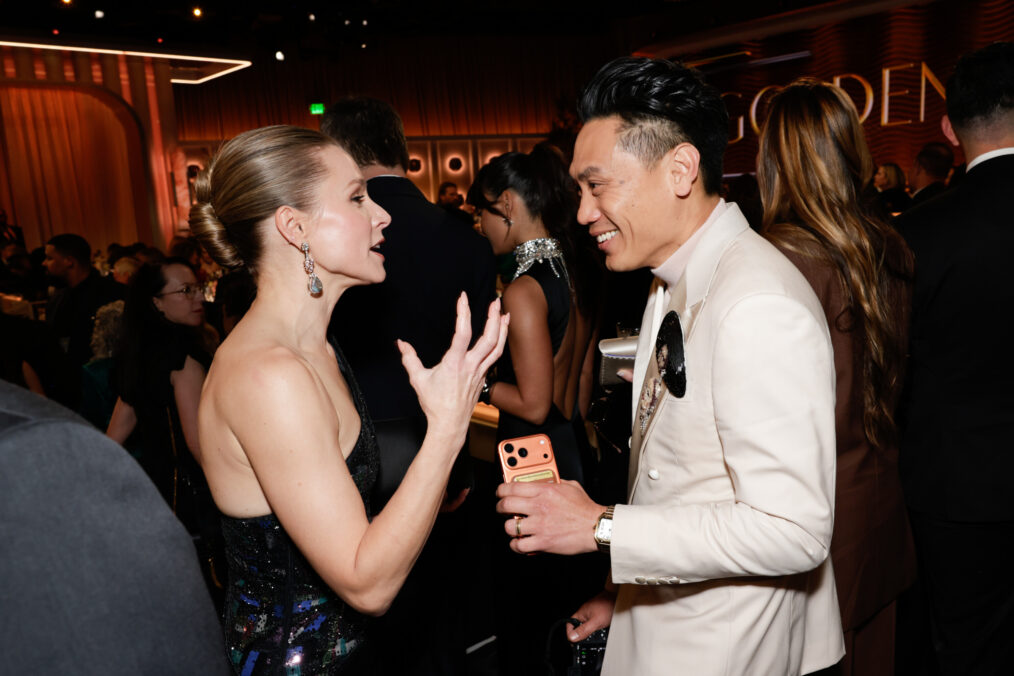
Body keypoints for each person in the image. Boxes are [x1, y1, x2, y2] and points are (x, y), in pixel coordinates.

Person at [495, 57, 843, 676]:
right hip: (673, 618)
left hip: (725, 646)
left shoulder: (758, 302)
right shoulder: (669, 278)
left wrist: (601, 528)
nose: (582, 213)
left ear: (681, 169)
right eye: (579, 190)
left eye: (598, 186)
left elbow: (793, 529)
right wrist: (621, 595)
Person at [189, 125, 508, 674]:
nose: (381, 215)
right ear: (294, 227)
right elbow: (367, 583)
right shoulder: (270, 374)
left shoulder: (319, 348)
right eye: (357, 197)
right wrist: (448, 426)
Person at [322, 98, 497, 675]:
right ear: (401, 149)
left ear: (341, 152)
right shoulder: (464, 238)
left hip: (346, 449)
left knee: (366, 626)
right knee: (438, 605)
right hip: (439, 444)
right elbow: (474, 358)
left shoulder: (334, 240)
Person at [758, 79, 917, 676]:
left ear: (774, 161)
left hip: (811, 524)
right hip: (877, 501)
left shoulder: (776, 260)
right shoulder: (891, 246)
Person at [894, 41, 1014, 675]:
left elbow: (892, 369)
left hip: (953, 485)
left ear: (948, 127)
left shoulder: (919, 232)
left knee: (962, 646)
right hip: (957, 479)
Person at [467, 145, 604, 673]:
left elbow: (531, 400)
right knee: (570, 612)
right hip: (571, 453)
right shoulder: (579, 270)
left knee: (526, 619)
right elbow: (582, 383)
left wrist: (473, 380)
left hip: (529, 466)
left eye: (481, 212)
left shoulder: (524, 290)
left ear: (506, 204)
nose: (480, 226)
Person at [0, 380, 229, 675]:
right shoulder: (34, 449)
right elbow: (199, 448)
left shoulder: (139, 355)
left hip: (151, 483)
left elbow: (116, 430)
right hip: (177, 491)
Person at [105, 259, 222, 602]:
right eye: (185, 291)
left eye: (198, 287)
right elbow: (197, 442)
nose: (198, 297)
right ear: (156, 302)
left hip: (155, 494)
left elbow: (116, 433)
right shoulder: (183, 357)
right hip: (194, 498)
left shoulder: (138, 353)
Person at [43, 233, 125, 368]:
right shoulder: (57, 298)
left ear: (69, 261)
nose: (44, 263)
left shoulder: (114, 293)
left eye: (49, 258)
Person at [906, 142, 954, 209]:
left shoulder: (916, 205)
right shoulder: (953, 200)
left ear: (918, 167)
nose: (909, 171)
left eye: (912, 166)